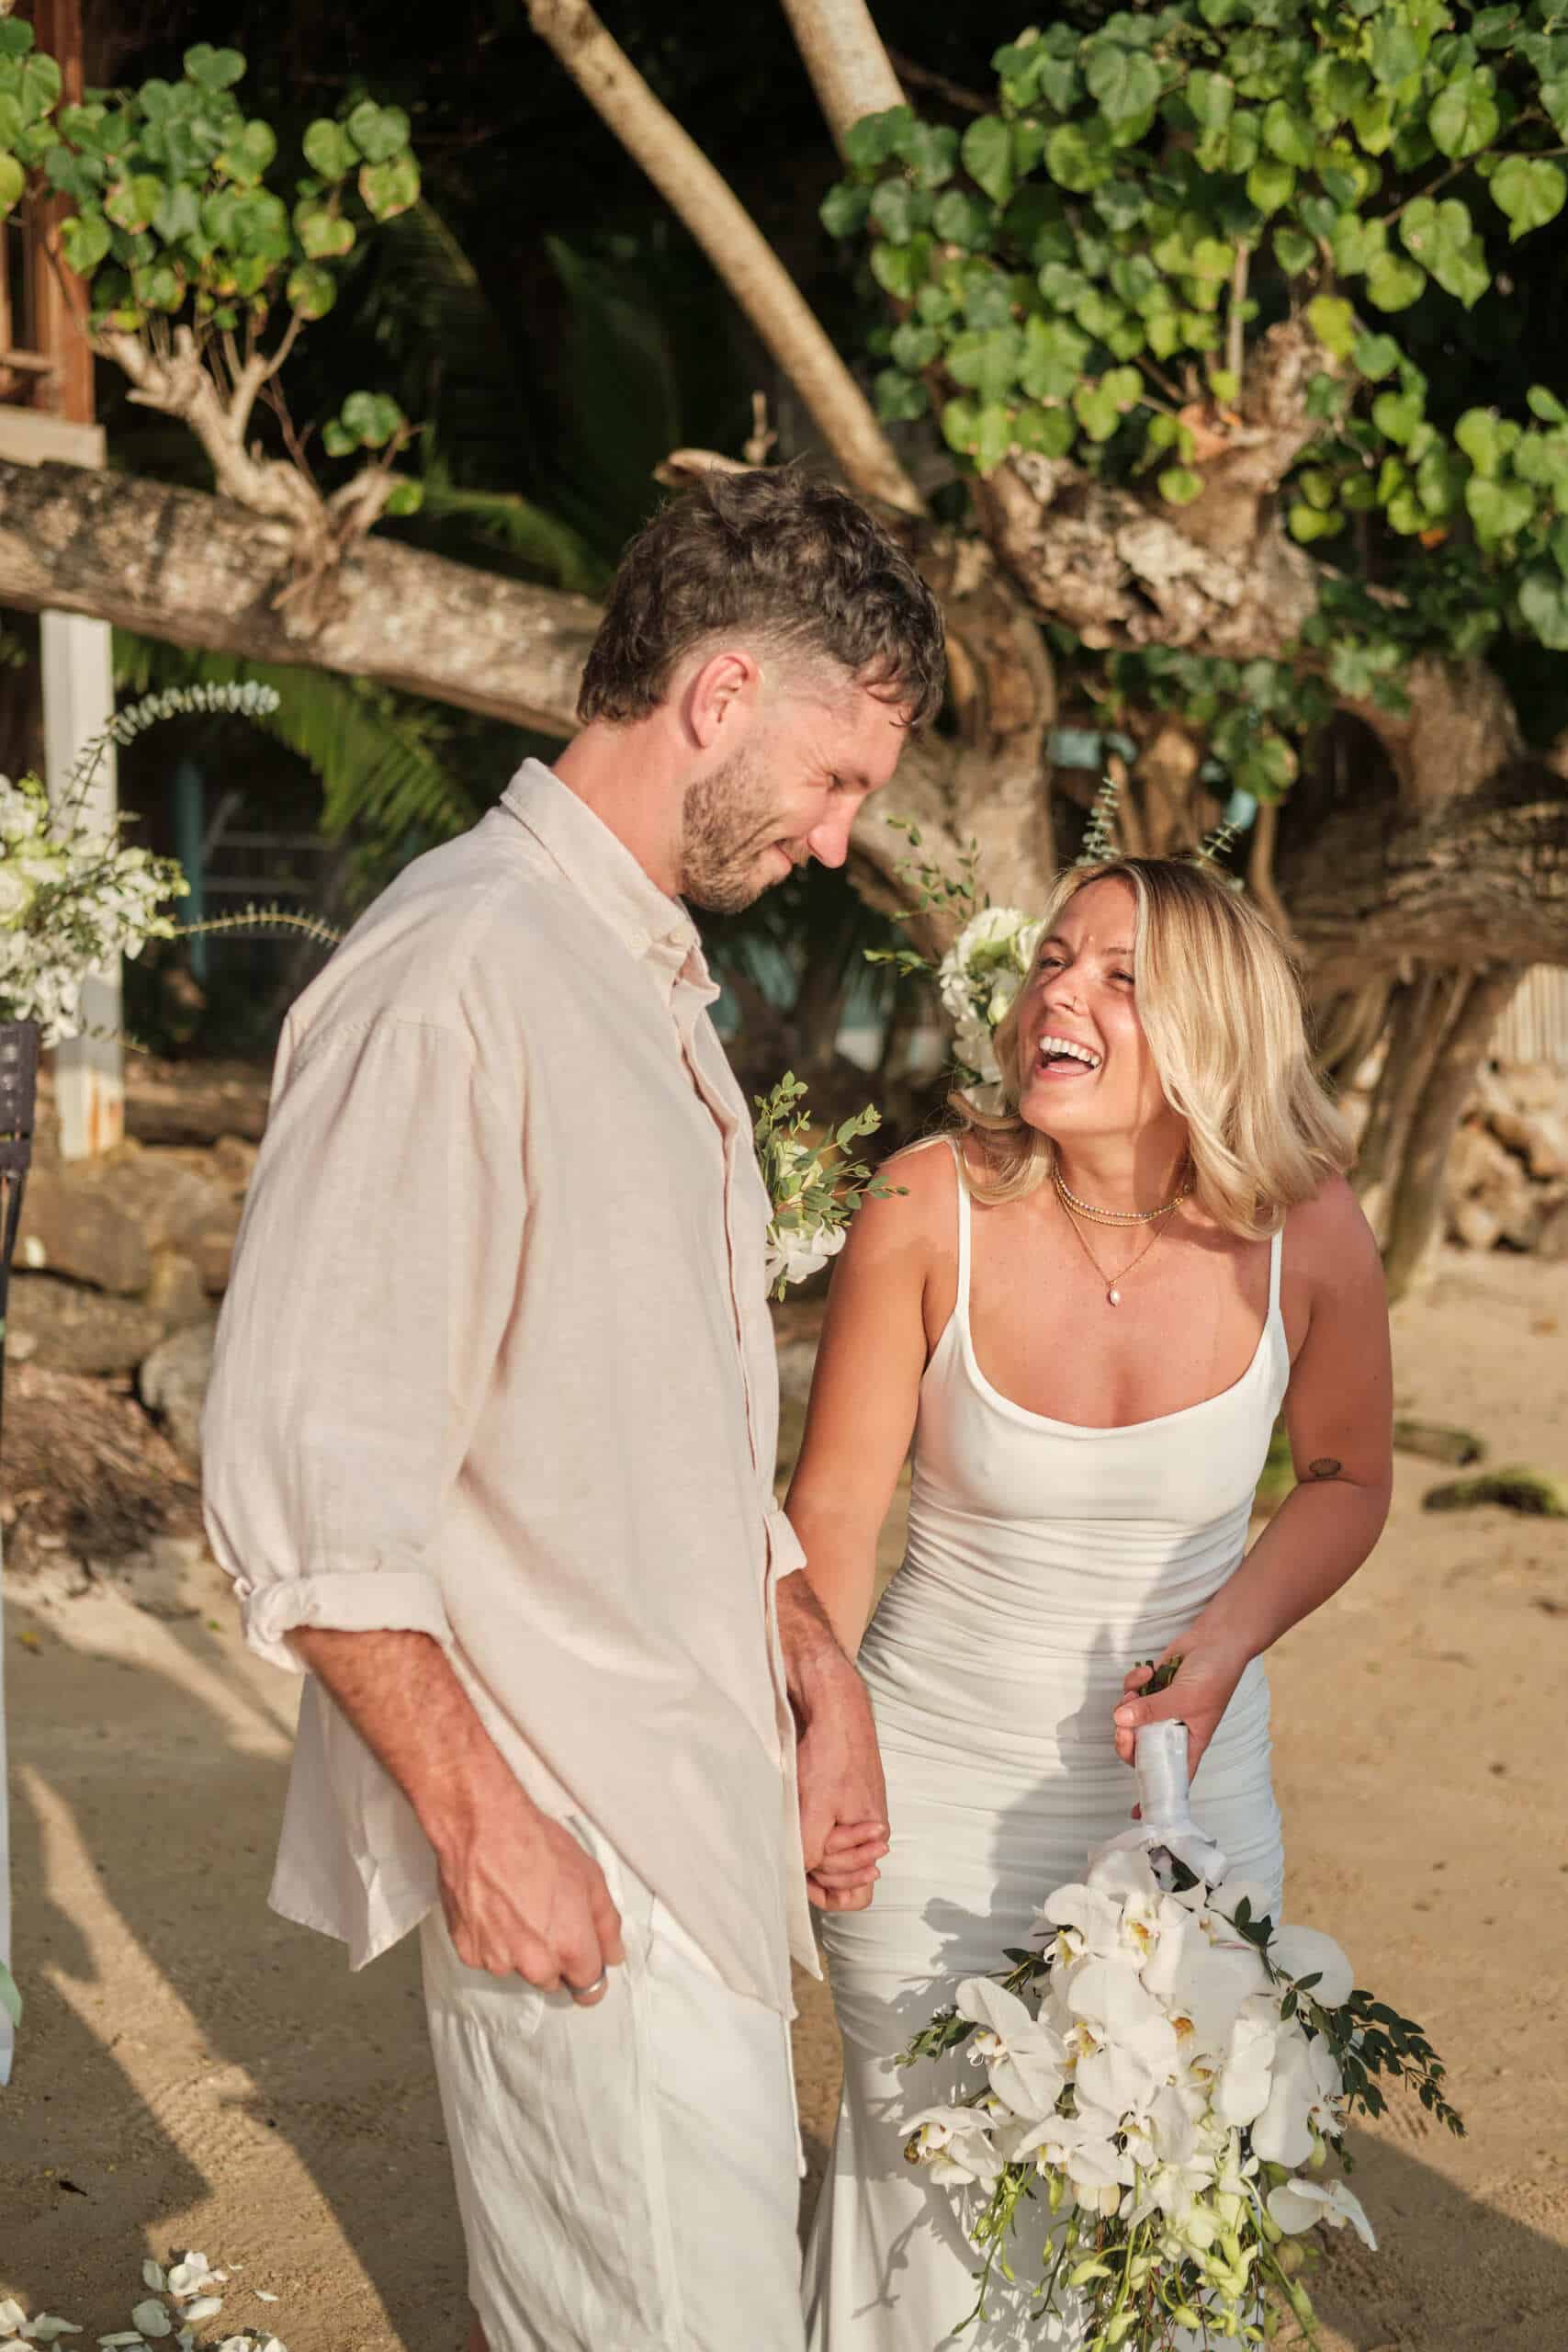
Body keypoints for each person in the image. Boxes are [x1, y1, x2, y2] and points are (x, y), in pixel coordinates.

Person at [199, 465, 945, 2352]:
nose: (840, 840)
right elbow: (306, 1468)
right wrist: (480, 1820)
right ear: (716, 699)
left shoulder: (636, 985)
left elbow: (646, 1425)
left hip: (697, 1816)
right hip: (575, 1843)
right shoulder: (458, 975)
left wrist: (806, 1648)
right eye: (835, 778)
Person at [788, 854, 1393, 2348]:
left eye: (1119, 974)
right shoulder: (927, 1207)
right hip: (926, 1797)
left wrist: (1225, 1643)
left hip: (1186, 1801)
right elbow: (837, 1518)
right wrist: (817, 1726)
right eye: (1055, 961)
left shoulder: (1306, 1228)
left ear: (1210, 1026)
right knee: (937, 2203)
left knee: (1162, 2191)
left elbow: (1344, 1477)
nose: (1059, 991)